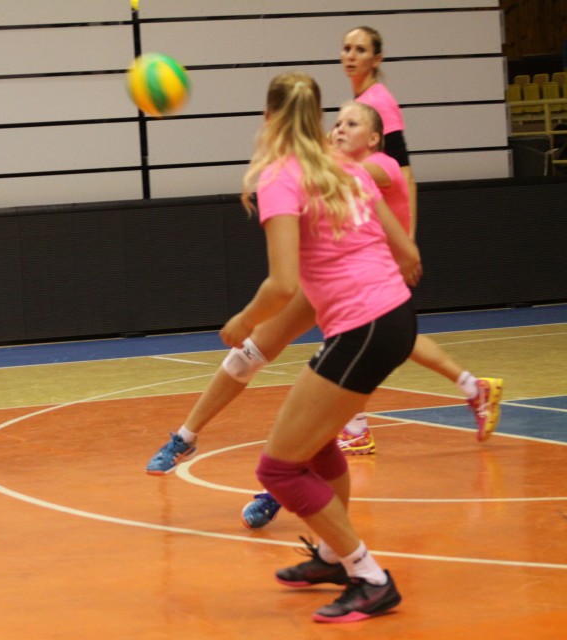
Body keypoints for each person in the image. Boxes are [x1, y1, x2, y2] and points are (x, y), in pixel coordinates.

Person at [145, 26, 502, 483]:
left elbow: (394, 179)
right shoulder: (325, 165)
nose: (341, 129)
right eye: (338, 122)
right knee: (255, 357)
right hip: (329, 280)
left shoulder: (367, 164)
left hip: (356, 283)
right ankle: (188, 435)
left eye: (353, 124)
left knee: (331, 372)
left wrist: (404, 244)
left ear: (376, 137)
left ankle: (299, 469)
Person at [226, 72, 419, 623]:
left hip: (364, 326)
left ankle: (368, 575)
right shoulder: (343, 165)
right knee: (314, 446)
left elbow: (282, 284)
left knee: (278, 470)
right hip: (391, 316)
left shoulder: (280, 178)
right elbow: (406, 251)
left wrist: (242, 322)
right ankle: (335, 557)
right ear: (316, 120)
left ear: (268, 118)